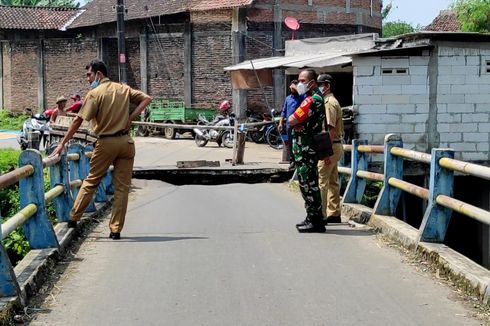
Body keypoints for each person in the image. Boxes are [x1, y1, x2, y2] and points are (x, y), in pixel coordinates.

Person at [50, 60, 152, 240]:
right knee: (122, 188)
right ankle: (115, 230)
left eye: (89, 75)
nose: (88, 79)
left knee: (91, 181)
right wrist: (130, 118)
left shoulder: (95, 93)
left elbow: (78, 121)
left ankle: (74, 217)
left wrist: (62, 143)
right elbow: (147, 98)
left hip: (106, 142)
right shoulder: (123, 89)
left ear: (98, 74)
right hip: (126, 142)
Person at [288, 69, 326, 233]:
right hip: (307, 148)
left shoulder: (311, 100)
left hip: (306, 149)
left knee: (308, 184)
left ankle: (316, 220)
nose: (299, 83)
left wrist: (295, 123)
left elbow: (292, 119)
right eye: (298, 80)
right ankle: (312, 217)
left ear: (312, 82)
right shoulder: (314, 98)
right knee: (308, 183)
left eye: (302, 80)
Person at [317, 74, 344, 224]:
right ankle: (334, 212)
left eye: (320, 85)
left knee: (322, 180)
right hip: (336, 145)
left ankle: (321, 215)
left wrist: (325, 152)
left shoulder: (328, 103)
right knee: (333, 179)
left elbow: (330, 129)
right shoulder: (332, 101)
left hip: (331, 145)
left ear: (326, 86)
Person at [278, 80, 304, 170]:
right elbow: (284, 111)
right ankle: (292, 160)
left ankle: (300, 160)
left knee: (299, 142)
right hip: (289, 125)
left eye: (294, 87)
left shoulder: (302, 97)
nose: (292, 88)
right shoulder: (288, 98)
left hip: (299, 124)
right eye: (291, 87)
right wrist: (281, 123)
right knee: (289, 143)